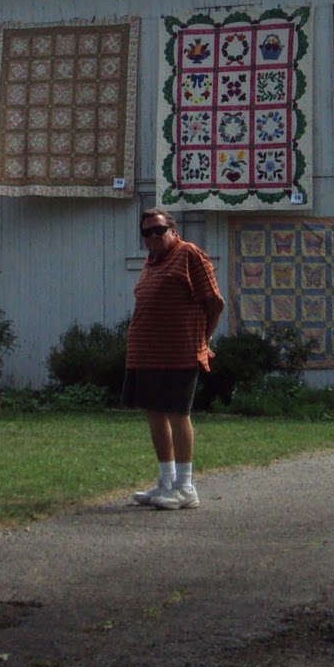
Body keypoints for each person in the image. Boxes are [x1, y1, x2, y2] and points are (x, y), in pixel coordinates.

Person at [122, 208, 224, 510]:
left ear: (173, 230)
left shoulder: (189, 254)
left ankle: (185, 487)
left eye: (159, 229)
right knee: (155, 414)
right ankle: (165, 483)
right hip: (146, 353)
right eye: (147, 232)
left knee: (179, 414)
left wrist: (202, 341)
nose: (153, 236)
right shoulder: (150, 263)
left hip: (179, 352)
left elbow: (215, 304)